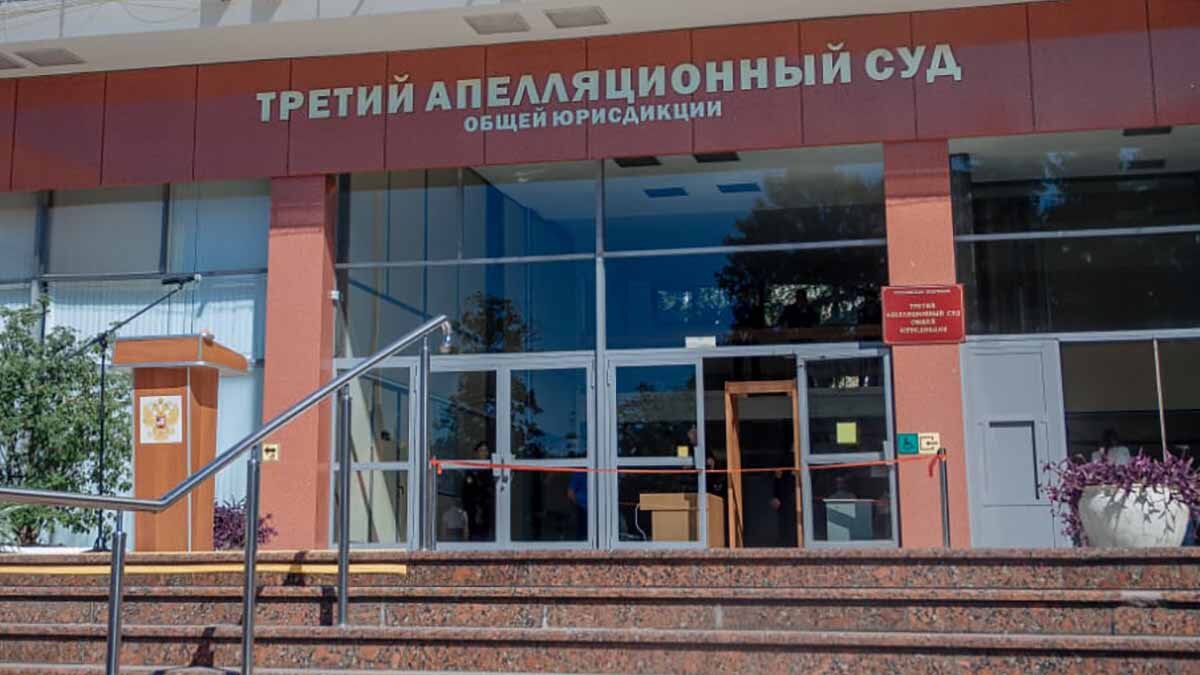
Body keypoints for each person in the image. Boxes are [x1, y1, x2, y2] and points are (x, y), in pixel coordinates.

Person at [460, 440, 495, 541]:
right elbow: (467, 492)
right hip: (474, 509)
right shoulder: (471, 470)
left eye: (486, 450)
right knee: (474, 535)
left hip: (488, 509)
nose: (484, 453)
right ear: (476, 453)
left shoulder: (491, 470)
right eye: (481, 450)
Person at [566, 470, 588, 541]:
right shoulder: (579, 473)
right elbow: (570, 493)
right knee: (582, 534)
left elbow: (570, 493)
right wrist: (578, 504)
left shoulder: (578, 473)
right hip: (582, 508)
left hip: (586, 507)